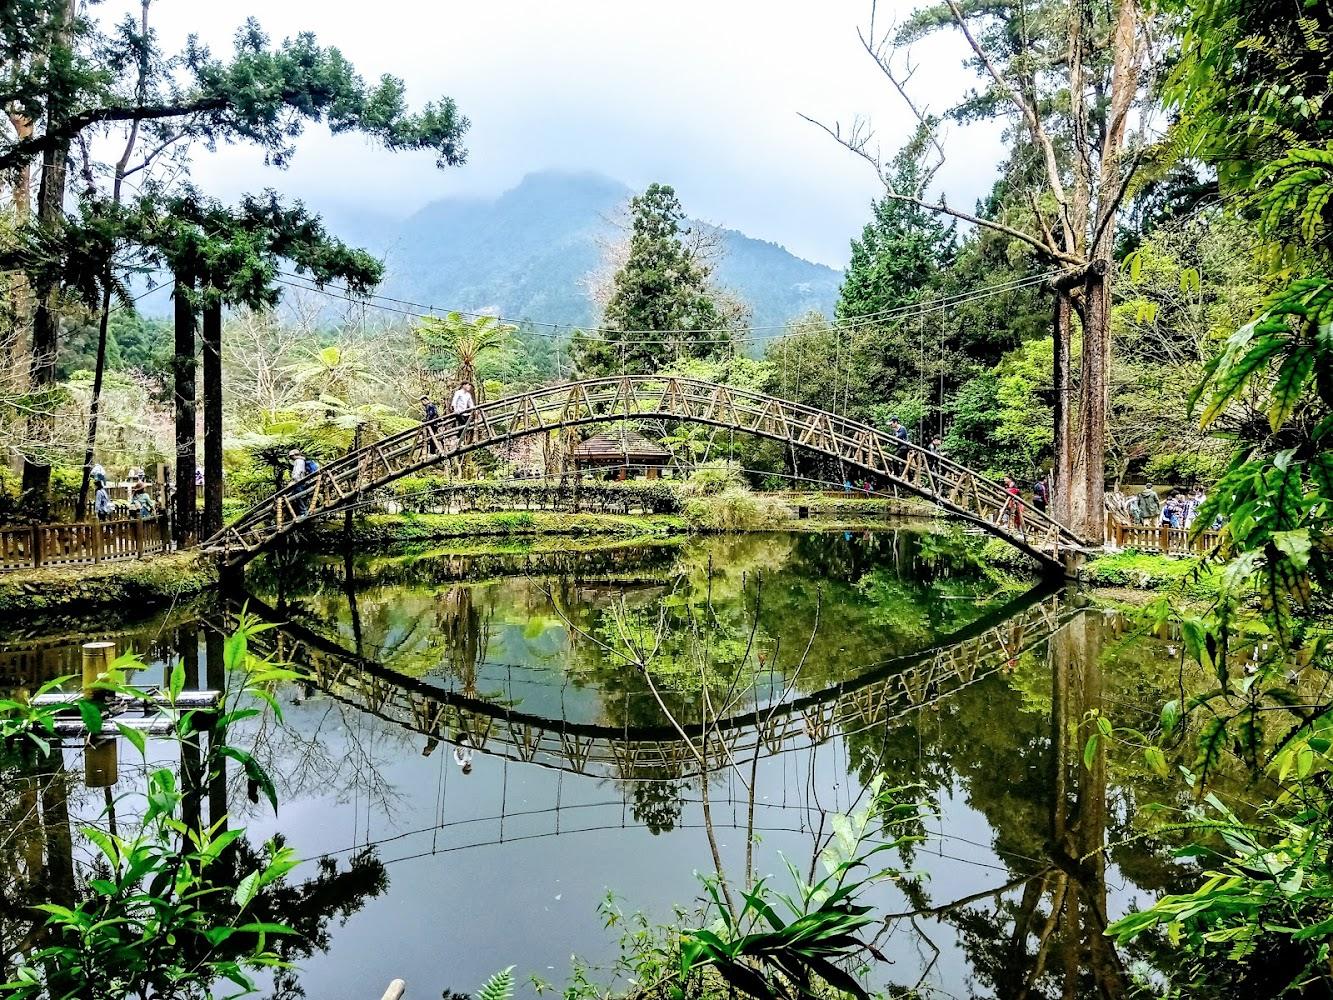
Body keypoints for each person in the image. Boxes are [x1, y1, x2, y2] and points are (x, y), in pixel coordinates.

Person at [289, 449, 309, 517]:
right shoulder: (301, 460)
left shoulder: (298, 461)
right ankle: (304, 511)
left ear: (294, 455)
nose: (291, 458)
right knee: (301, 496)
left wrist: (294, 479)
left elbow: (298, 471)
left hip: (298, 481)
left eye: (291, 456)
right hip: (301, 480)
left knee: (299, 496)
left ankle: (303, 512)